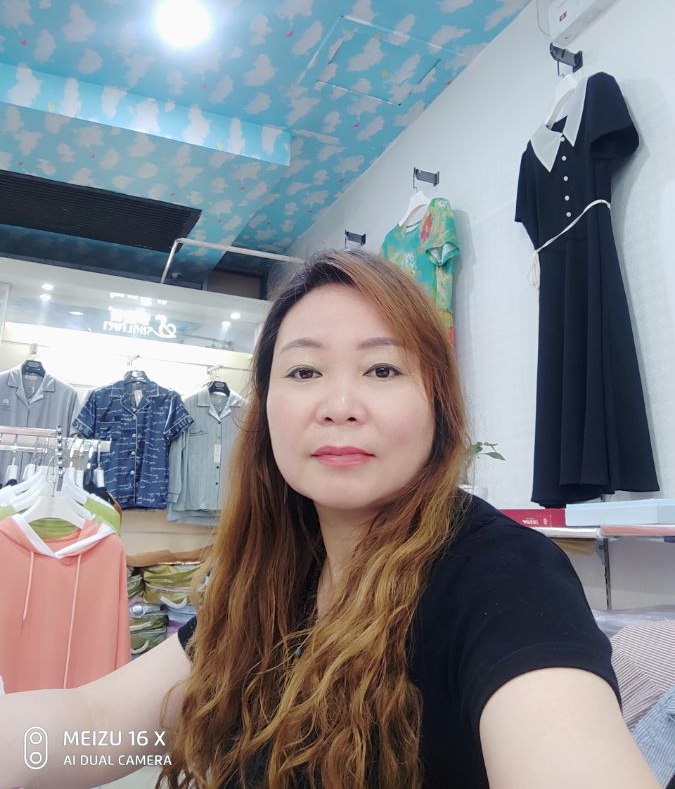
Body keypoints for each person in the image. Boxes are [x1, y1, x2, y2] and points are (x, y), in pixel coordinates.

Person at [0, 249, 658, 789]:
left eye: (381, 368)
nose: (339, 404)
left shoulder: (505, 579)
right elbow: (98, 721)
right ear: (266, 411)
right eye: (305, 370)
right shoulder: (271, 579)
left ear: (437, 406)